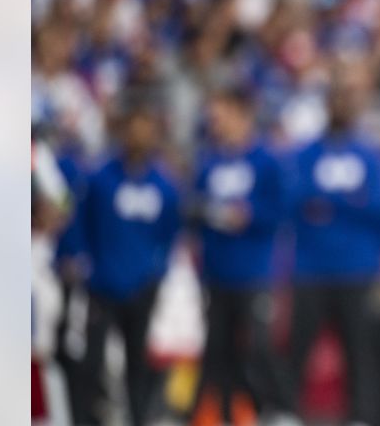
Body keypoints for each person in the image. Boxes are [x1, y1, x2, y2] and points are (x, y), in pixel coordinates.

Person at [286, 79, 380, 424]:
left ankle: (361, 417)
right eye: (335, 100)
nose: (340, 107)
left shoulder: (368, 154)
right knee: (298, 348)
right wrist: (351, 201)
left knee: (359, 351)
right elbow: (295, 201)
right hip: (311, 269)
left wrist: (329, 203)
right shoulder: (306, 153)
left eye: (347, 100)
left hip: (357, 269)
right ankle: (288, 413)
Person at [76, 104, 182, 426]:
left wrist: (157, 271)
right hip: (102, 286)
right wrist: (88, 265)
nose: (139, 134)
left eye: (146, 126)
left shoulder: (165, 186)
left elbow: (170, 233)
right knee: (91, 360)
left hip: (141, 287)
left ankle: (139, 418)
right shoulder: (99, 178)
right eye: (134, 126)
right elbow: (81, 224)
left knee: (139, 364)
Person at [191, 88, 290, 422]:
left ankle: (276, 409)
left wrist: (249, 214)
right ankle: (227, 414)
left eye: (222, 116)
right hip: (218, 272)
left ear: (242, 115)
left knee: (257, 347)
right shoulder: (209, 162)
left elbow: (280, 211)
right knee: (219, 350)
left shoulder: (266, 160)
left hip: (254, 271)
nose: (216, 123)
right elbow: (195, 208)